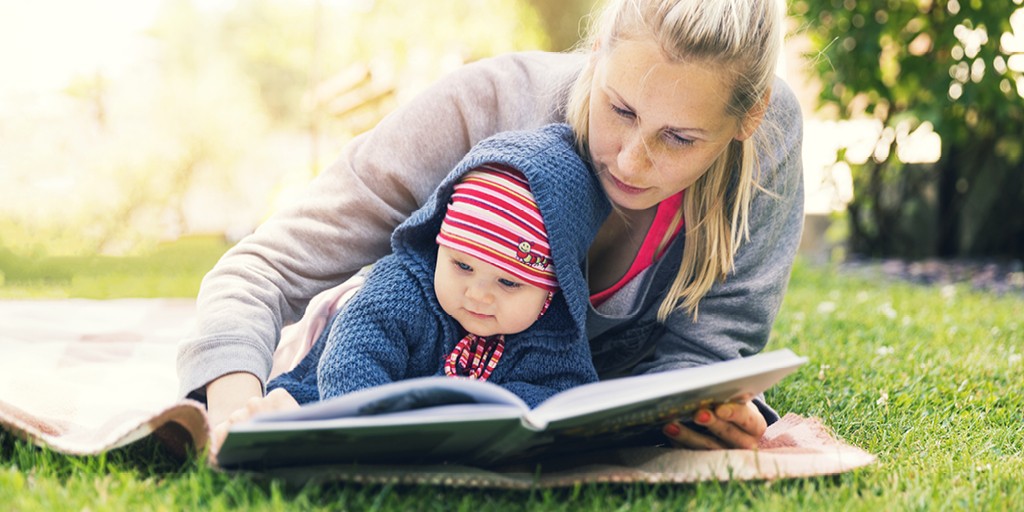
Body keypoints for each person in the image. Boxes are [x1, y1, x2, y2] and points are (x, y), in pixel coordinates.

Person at [178, 0, 804, 455]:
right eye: (620, 109)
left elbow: (706, 355)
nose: (632, 161)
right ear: (598, 52)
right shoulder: (483, 106)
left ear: (746, 119)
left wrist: (698, 411)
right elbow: (261, 268)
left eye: (679, 138)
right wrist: (237, 412)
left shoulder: (767, 140)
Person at [258, 124, 609, 415]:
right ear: (441, 245)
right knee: (287, 406)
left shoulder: (556, 333)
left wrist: (487, 411)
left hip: (438, 432)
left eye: (508, 282)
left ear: (552, 289)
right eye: (462, 265)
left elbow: (572, 398)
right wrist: (365, 432)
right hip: (324, 368)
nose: (478, 294)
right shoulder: (402, 290)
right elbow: (351, 360)